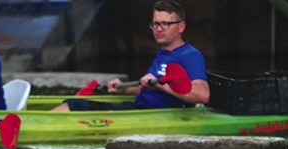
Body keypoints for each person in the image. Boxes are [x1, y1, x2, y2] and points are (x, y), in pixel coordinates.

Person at [53, 0, 209, 112]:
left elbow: (202, 96)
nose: (159, 29)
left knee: (72, 106)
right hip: (141, 107)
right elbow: (151, 90)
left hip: (154, 113)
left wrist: (162, 85)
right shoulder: (163, 53)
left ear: (181, 26)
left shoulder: (190, 56)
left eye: (165, 24)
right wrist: (124, 89)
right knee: (71, 104)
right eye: (155, 24)